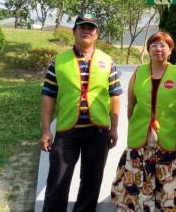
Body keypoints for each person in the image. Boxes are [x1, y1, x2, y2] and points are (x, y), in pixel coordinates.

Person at [40, 13, 122, 212]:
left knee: (91, 184)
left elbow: (114, 95)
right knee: (57, 182)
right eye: (82, 27)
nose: (86, 31)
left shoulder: (107, 61)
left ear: (97, 34)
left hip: (98, 132)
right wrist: (46, 130)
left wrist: (114, 128)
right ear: (74, 31)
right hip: (68, 131)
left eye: (91, 28)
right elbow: (49, 95)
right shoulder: (59, 61)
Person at [111, 31, 176, 211]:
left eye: (163, 45)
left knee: (173, 189)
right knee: (139, 188)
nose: (158, 49)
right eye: (154, 45)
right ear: (148, 49)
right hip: (141, 141)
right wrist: (137, 126)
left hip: (169, 137)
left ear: (170, 50)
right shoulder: (139, 71)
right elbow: (131, 105)